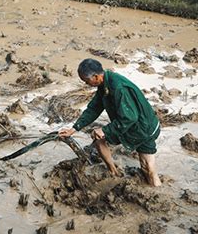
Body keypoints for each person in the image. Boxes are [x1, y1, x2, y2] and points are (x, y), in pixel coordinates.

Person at [59, 58, 162, 187]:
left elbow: (129, 117)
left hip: (143, 128)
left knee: (148, 168)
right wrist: (74, 129)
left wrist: (105, 130)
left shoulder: (118, 87)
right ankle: (114, 172)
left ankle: (156, 191)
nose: (86, 84)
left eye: (86, 81)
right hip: (133, 125)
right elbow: (94, 108)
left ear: (96, 76)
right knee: (98, 138)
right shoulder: (104, 84)